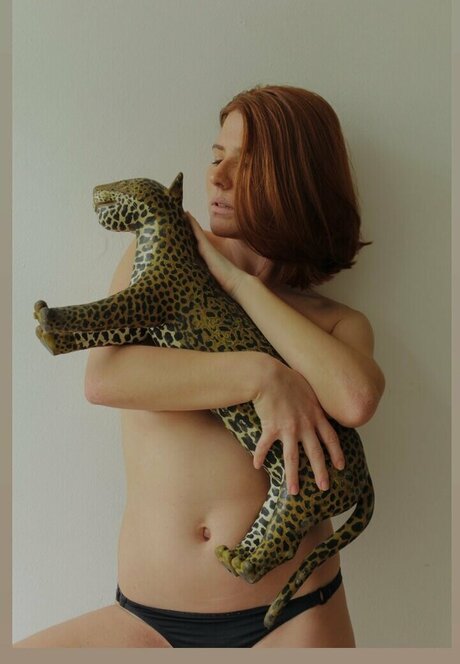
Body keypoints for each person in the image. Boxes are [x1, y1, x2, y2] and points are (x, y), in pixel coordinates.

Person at [15, 84, 385, 648]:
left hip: (294, 619)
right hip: (144, 621)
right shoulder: (162, 255)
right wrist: (261, 376)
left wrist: (239, 284)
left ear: (298, 181)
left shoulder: (334, 322)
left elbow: (355, 398)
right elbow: (107, 379)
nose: (218, 177)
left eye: (247, 163)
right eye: (216, 157)